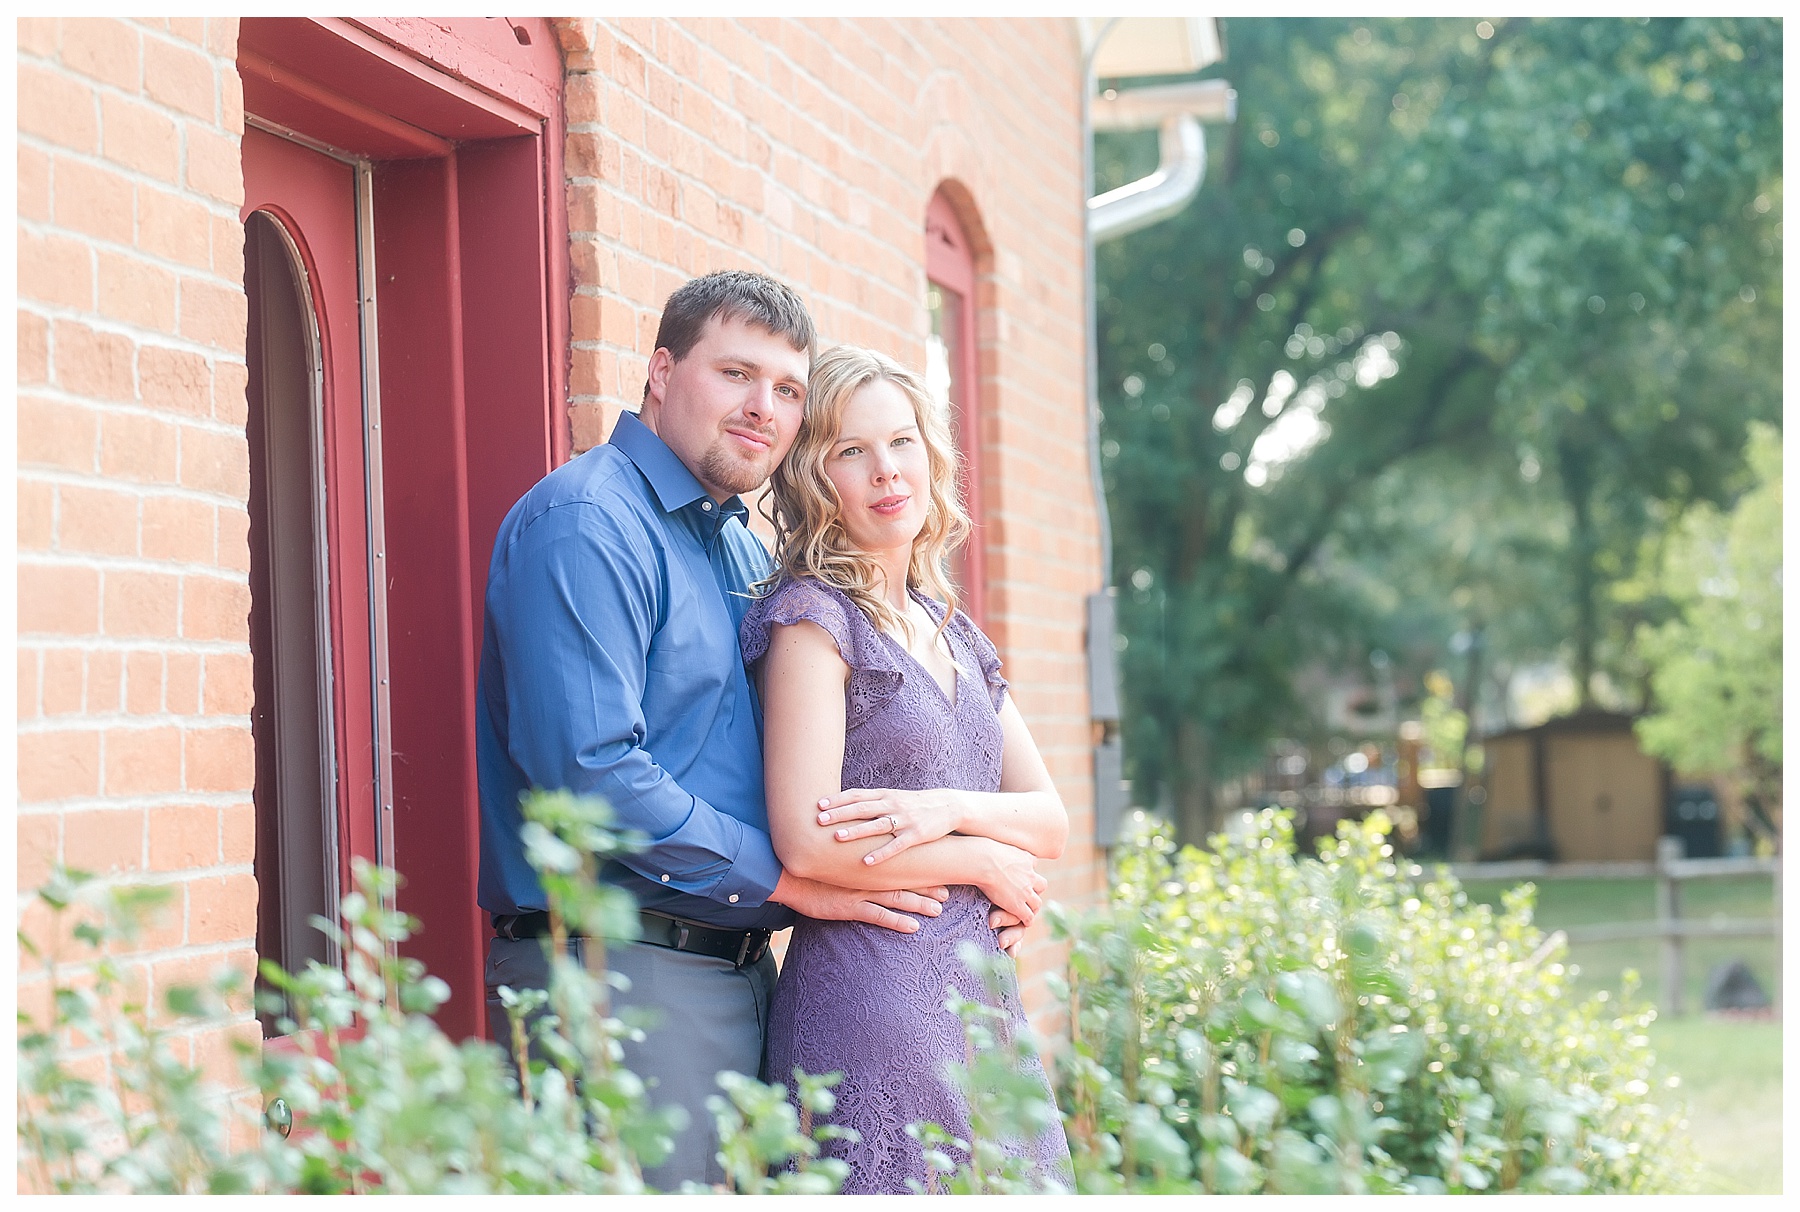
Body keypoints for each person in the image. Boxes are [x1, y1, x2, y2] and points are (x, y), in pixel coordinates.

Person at [475, 272, 954, 1190]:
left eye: (786, 389)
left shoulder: (739, 548)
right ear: (661, 370)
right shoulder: (587, 522)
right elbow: (591, 777)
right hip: (621, 973)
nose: (763, 408)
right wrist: (786, 878)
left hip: (743, 971)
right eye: (737, 373)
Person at [741, 345, 1075, 1193]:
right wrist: (978, 857)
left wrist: (947, 810)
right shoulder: (815, 620)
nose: (886, 472)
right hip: (871, 998)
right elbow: (807, 841)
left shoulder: (952, 628)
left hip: (978, 1001)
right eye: (852, 452)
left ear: (932, 454)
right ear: (818, 478)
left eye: (902, 443)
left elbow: (1051, 821)